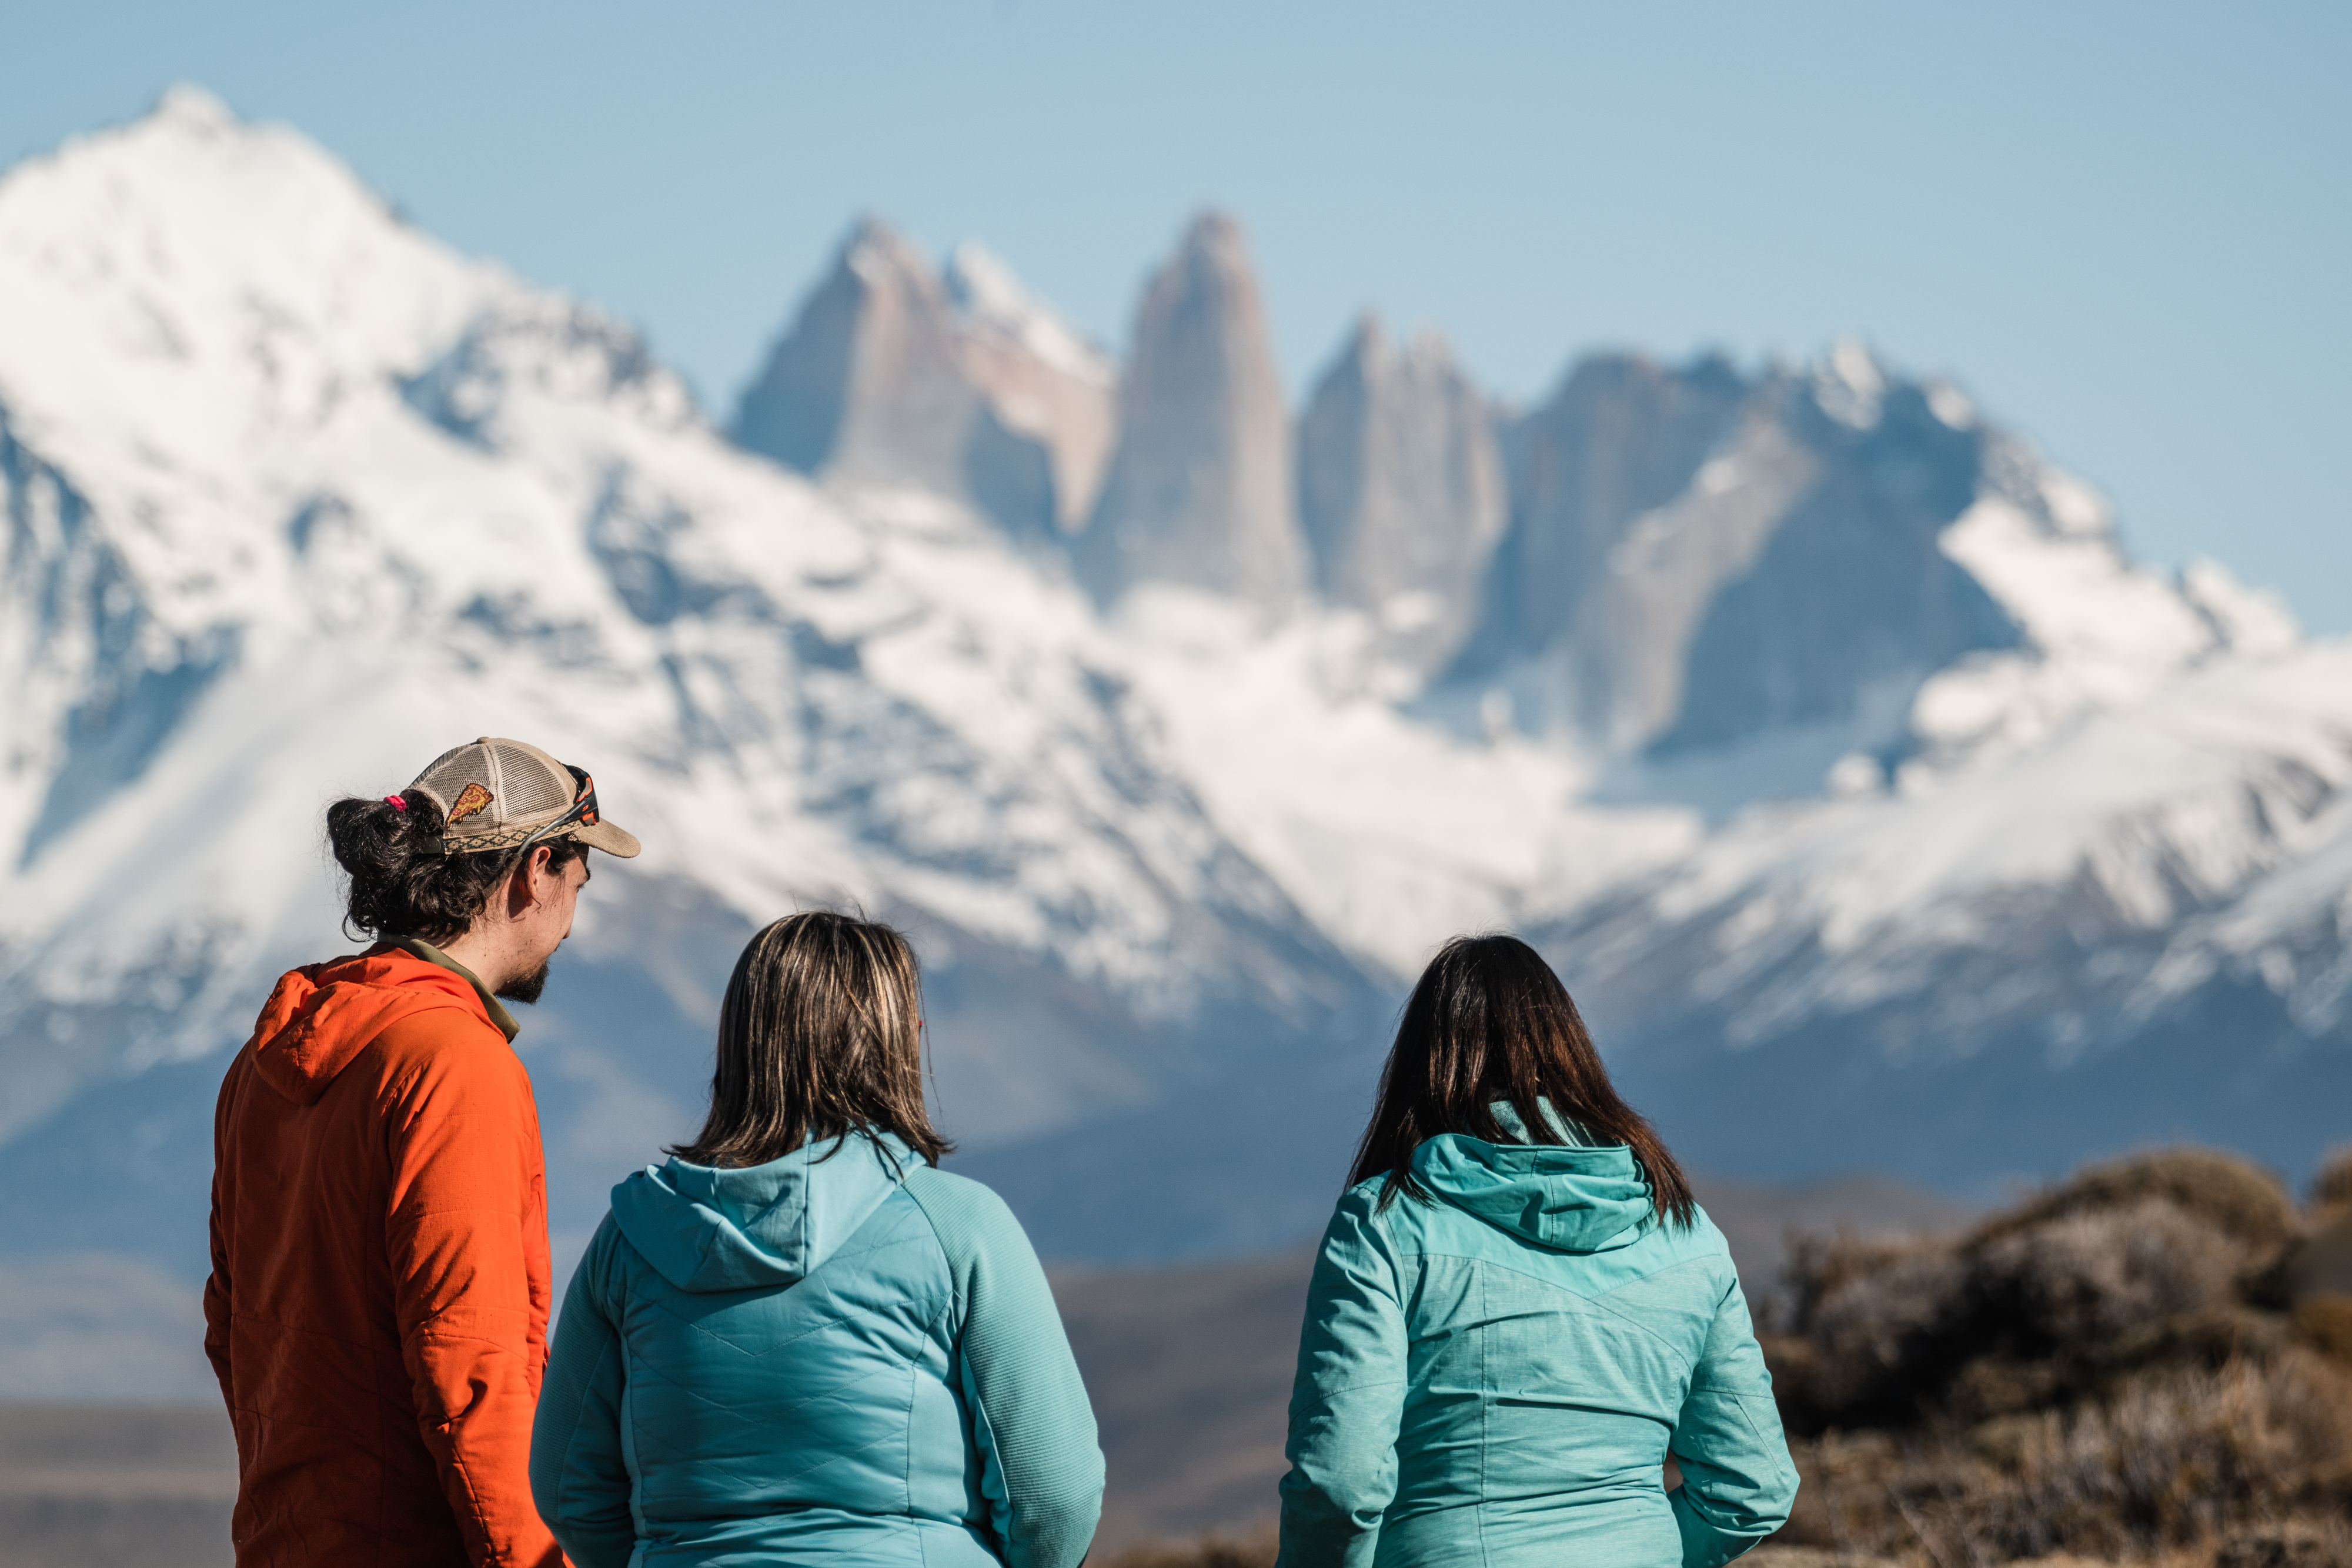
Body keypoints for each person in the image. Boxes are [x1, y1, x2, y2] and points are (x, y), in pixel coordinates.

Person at [530, 910, 1105, 1568]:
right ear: (898, 1042)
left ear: (739, 1044)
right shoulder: (959, 1226)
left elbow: (567, 1484)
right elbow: (1054, 1495)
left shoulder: (631, 1237)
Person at [203, 736, 640, 1567]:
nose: (571, 922)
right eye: (578, 883)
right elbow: (472, 1359)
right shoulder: (454, 1064)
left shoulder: (266, 1061)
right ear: (533, 870)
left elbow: (232, 1325)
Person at [1277, 934, 1798, 1568]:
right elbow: (1755, 1487)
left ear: (1420, 1064)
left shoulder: (1385, 1223)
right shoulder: (1687, 1234)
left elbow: (1342, 1480)